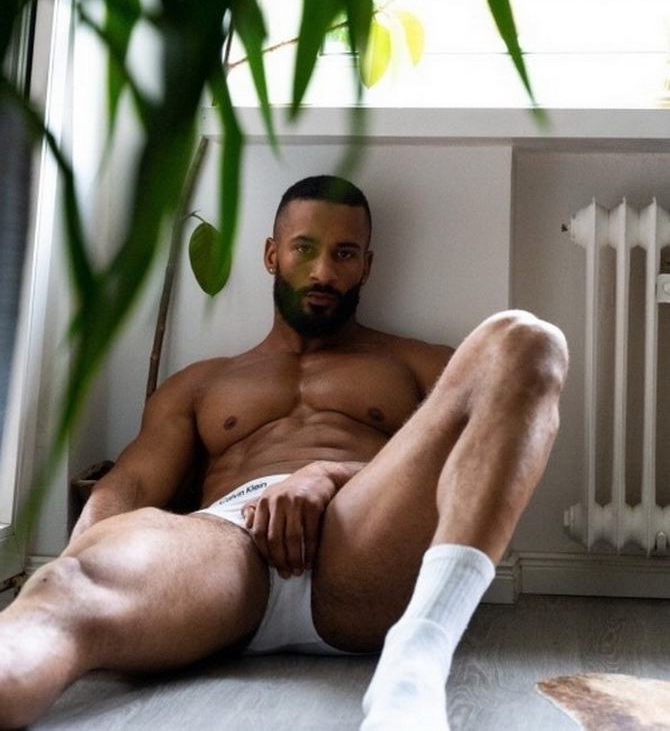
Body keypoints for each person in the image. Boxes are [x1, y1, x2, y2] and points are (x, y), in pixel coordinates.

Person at [0, 175, 568, 730]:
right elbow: (132, 484)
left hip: (364, 535)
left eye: (345, 253)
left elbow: (476, 467)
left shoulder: (414, 363)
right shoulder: (200, 383)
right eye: (305, 249)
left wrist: (330, 474)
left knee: (527, 341)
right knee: (64, 589)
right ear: (273, 255)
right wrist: (77, 565)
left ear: (366, 266)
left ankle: (416, 659)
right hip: (229, 551)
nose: (324, 272)